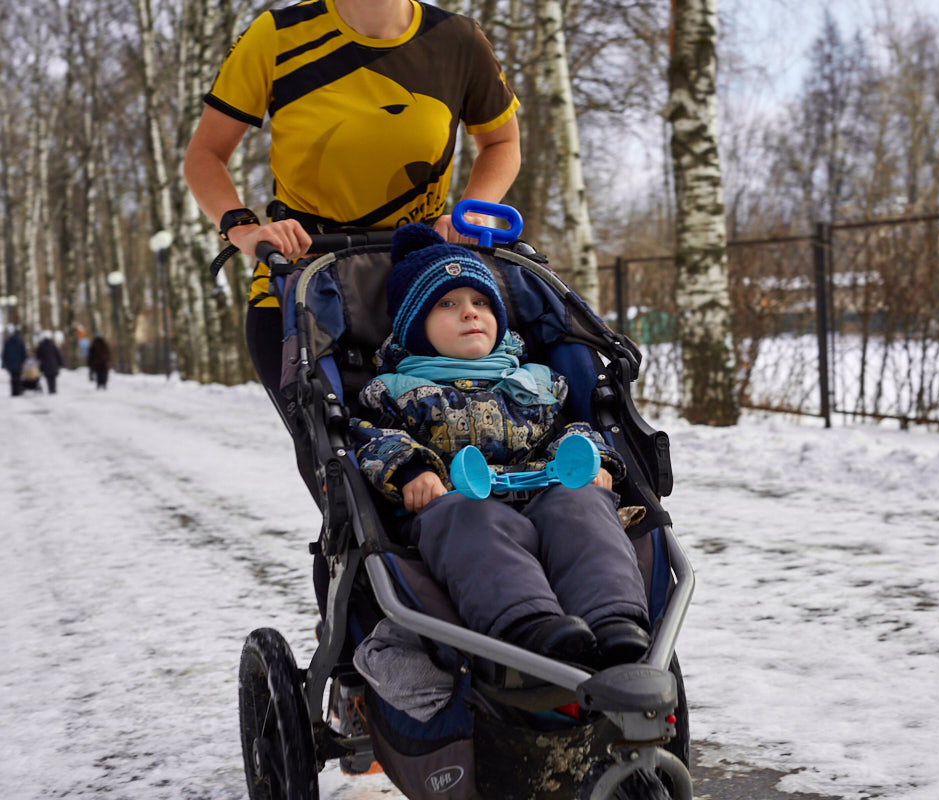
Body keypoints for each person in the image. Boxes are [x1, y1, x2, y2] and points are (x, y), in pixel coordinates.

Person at [183, 0, 521, 486]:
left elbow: (502, 143)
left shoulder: (459, 39)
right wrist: (244, 229)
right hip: (300, 293)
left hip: (420, 288)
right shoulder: (277, 35)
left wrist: (470, 212)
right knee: (348, 481)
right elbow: (205, 154)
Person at [351, 224, 651, 666]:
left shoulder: (536, 382)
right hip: (459, 504)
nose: (470, 313)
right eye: (447, 304)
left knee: (583, 505)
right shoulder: (397, 390)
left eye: (481, 302)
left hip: (546, 496)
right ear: (415, 327)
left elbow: (572, 427)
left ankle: (613, 618)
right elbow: (369, 437)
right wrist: (411, 470)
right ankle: (528, 623)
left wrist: (593, 459)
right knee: (470, 518)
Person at [3, 326, 26, 397]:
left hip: (11, 364)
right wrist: (23, 361)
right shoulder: (20, 341)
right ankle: (18, 391)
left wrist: (6, 363)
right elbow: (24, 353)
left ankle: (14, 392)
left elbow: (4, 354)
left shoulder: (7, 342)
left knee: (13, 378)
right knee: (18, 377)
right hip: (19, 363)